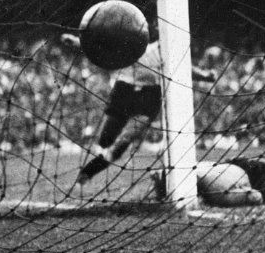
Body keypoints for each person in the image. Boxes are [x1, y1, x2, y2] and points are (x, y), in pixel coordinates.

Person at [61, 27, 216, 194]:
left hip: (149, 95)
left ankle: (88, 173)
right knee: (105, 140)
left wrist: (206, 76)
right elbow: (105, 52)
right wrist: (78, 42)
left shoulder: (170, 52)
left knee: (124, 140)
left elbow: (185, 69)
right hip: (124, 90)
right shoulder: (136, 46)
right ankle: (93, 167)